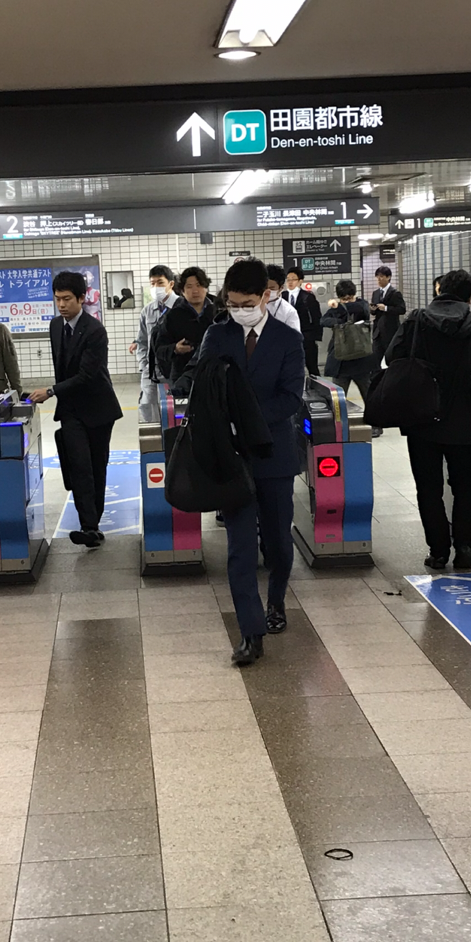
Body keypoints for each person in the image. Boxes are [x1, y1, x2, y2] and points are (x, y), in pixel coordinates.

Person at [199, 258, 305, 666]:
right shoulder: (217, 335)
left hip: (274, 455)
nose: (239, 310)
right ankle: (250, 631)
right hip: (232, 458)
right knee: (240, 548)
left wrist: (245, 417)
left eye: (247, 303)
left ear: (265, 296)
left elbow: (290, 398)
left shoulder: (287, 338)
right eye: (232, 304)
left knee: (277, 541)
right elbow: (203, 383)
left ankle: (276, 600)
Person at [386, 268, 471, 570]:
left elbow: (392, 356)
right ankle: (466, 548)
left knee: (428, 487)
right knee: (466, 487)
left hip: (422, 417)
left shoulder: (417, 320)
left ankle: (438, 551)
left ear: (439, 290)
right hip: (466, 422)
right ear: (469, 297)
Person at [29, 271, 122, 548]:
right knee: (79, 466)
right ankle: (88, 526)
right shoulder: (55, 326)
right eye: (57, 298)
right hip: (70, 410)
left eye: (67, 299)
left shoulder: (95, 330)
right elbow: (62, 368)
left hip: (98, 409)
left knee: (96, 467)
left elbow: (88, 376)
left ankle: (93, 523)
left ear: (82, 298)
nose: (61, 304)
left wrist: (51, 391)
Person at [154, 266, 214, 386]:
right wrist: (175, 348)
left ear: (206, 287)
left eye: (199, 285)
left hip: (214, 376)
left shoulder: (218, 311)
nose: (195, 291)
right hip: (182, 377)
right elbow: (159, 349)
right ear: (182, 291)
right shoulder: (173, 315)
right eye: (189, 286)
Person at [321, 279, 375, 408]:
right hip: (341, 361)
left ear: (354, 295)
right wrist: (340, 323)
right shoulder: (338, 308)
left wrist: (338, 306)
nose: (347, 302)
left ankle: (374, 420)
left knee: (369, 397)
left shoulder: (361, 304)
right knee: (337, 401)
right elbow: (323, 320)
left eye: (349, 298)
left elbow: (360, 309)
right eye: (344, 299)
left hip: (361, 360)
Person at [136, 265, 180, 422]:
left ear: (171, 284)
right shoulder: (147, 311)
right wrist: (144, 365)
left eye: (160, 283)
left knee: (178, 411)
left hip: (175, 371)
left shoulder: (181, 307)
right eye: (152, 283)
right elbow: (141, 341)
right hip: (152, 372)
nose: (156, 287)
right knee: (148, 408)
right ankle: (155, 437)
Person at [283, 267, 322, 375]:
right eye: (288, 279)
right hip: (288, 338)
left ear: (300, 281)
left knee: (312, 368)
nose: (290, 282)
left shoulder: (308, 297)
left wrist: (315, 337)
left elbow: (316, 317)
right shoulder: (282, 296)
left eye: (293, 279)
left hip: (306, 337)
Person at [370, 265, 406, 364]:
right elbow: (374, 312)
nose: (378, 279)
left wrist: (386, 308)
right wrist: (372, 310)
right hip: (377, 331)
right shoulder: (375, 293)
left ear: (388, 277)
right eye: (377, 276)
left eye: (381, 276)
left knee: (391, 358)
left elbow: (402, 309)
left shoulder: (395, 293)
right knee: (376, 358)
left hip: (391, 330)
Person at [266, 264, 301, 332]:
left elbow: (295, 336)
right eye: (264, 288)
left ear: (281, 288)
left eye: (272, 288)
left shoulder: (289, 312)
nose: (267, 291)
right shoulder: (253, 304)